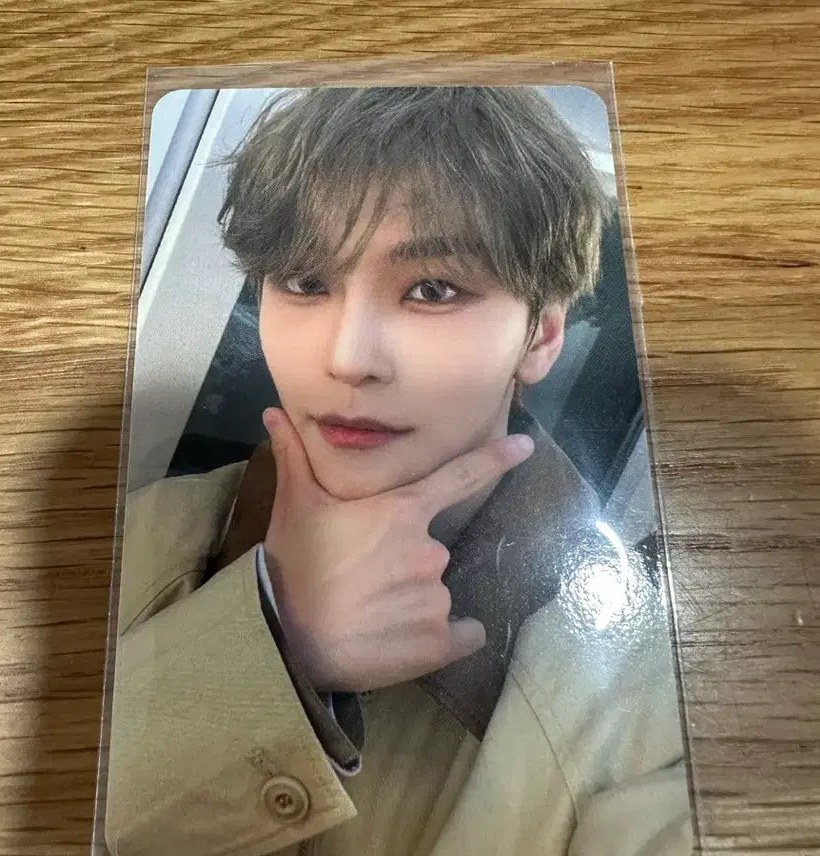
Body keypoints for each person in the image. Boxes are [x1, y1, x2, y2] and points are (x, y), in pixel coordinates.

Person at [104, 86, 691, 856]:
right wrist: (278, 651)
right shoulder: (134, 541)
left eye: (432, 289)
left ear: (541, 337)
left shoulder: (658, 707)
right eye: (306, 282)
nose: (348, 357)